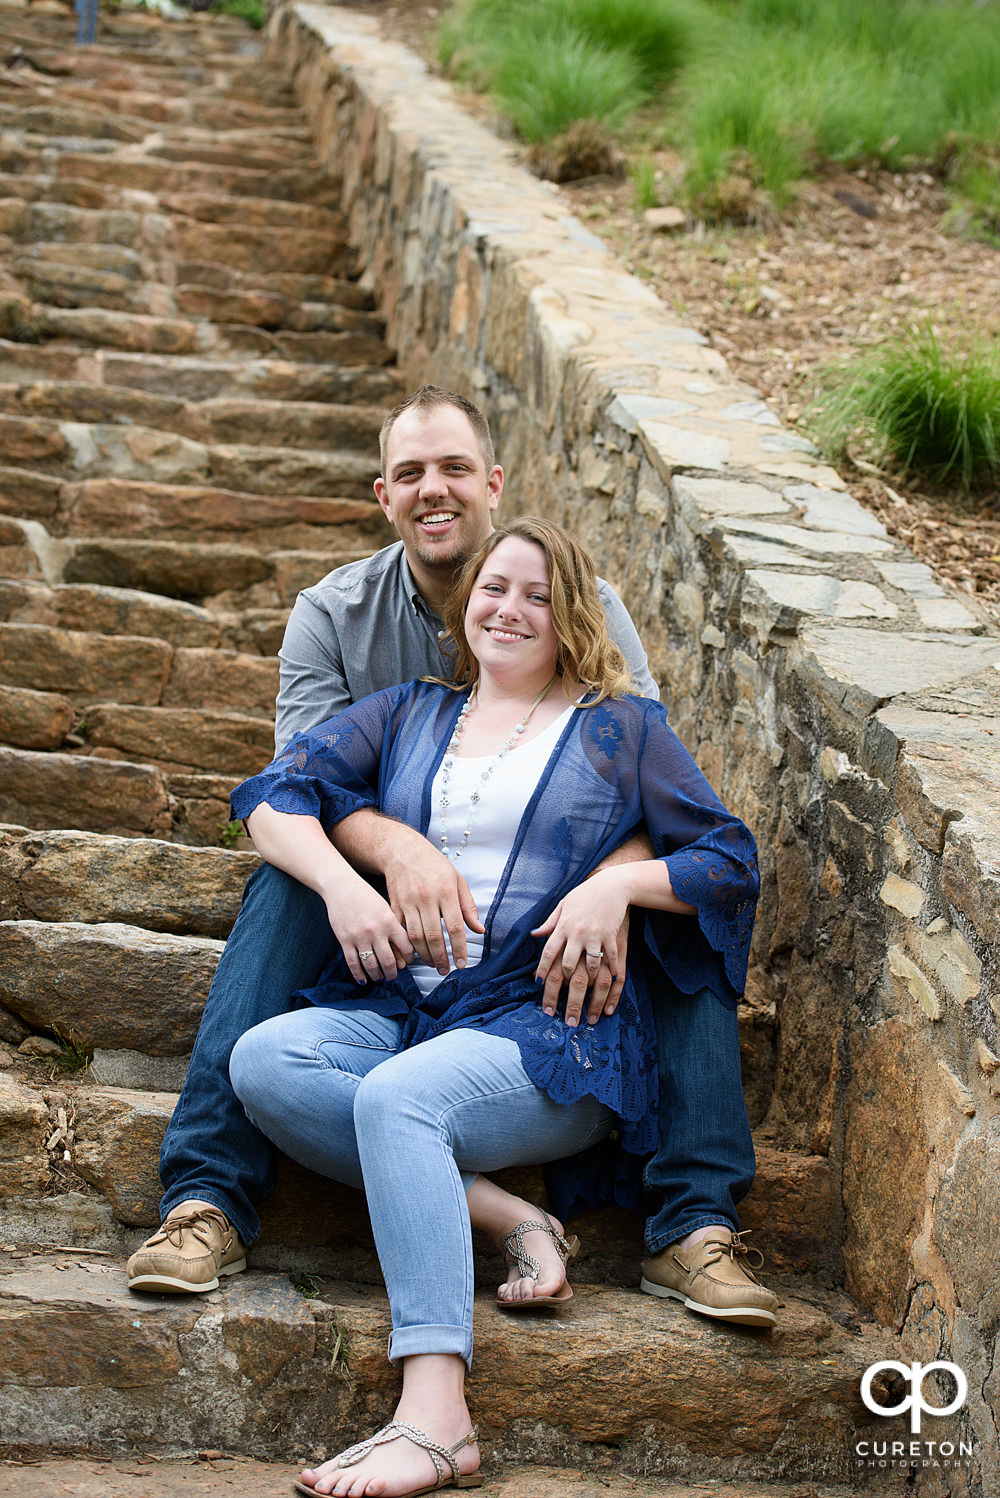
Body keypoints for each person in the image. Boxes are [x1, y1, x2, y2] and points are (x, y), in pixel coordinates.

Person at [226, 517, 765, 1498]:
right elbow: (274, 789)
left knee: (399, 1101)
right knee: (262, 1058)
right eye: (494, 587)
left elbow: (727, 855)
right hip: (409, 1012)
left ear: (573, 619)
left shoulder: (619, 727)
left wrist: (615, 890)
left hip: (552, 1035)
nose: (510, 608)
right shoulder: (408, 712)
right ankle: (506, 1212)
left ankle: (436, 1418)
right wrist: (354, 883)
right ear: (465, 598)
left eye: (539, 595)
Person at [127, 386, 655, 1294]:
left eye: (453, 468)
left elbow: (653, 784)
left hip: (536, 923)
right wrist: (391, 855)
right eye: (410, 473)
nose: (433, 490)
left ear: (492, 483)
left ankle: (693, 1217)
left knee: (680, 917)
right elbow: (293, 791)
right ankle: (209, 1197)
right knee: (288, 881)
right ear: (384, 496)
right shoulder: (333, 614)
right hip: (378, 917)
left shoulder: (579, 601)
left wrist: (608, 886)